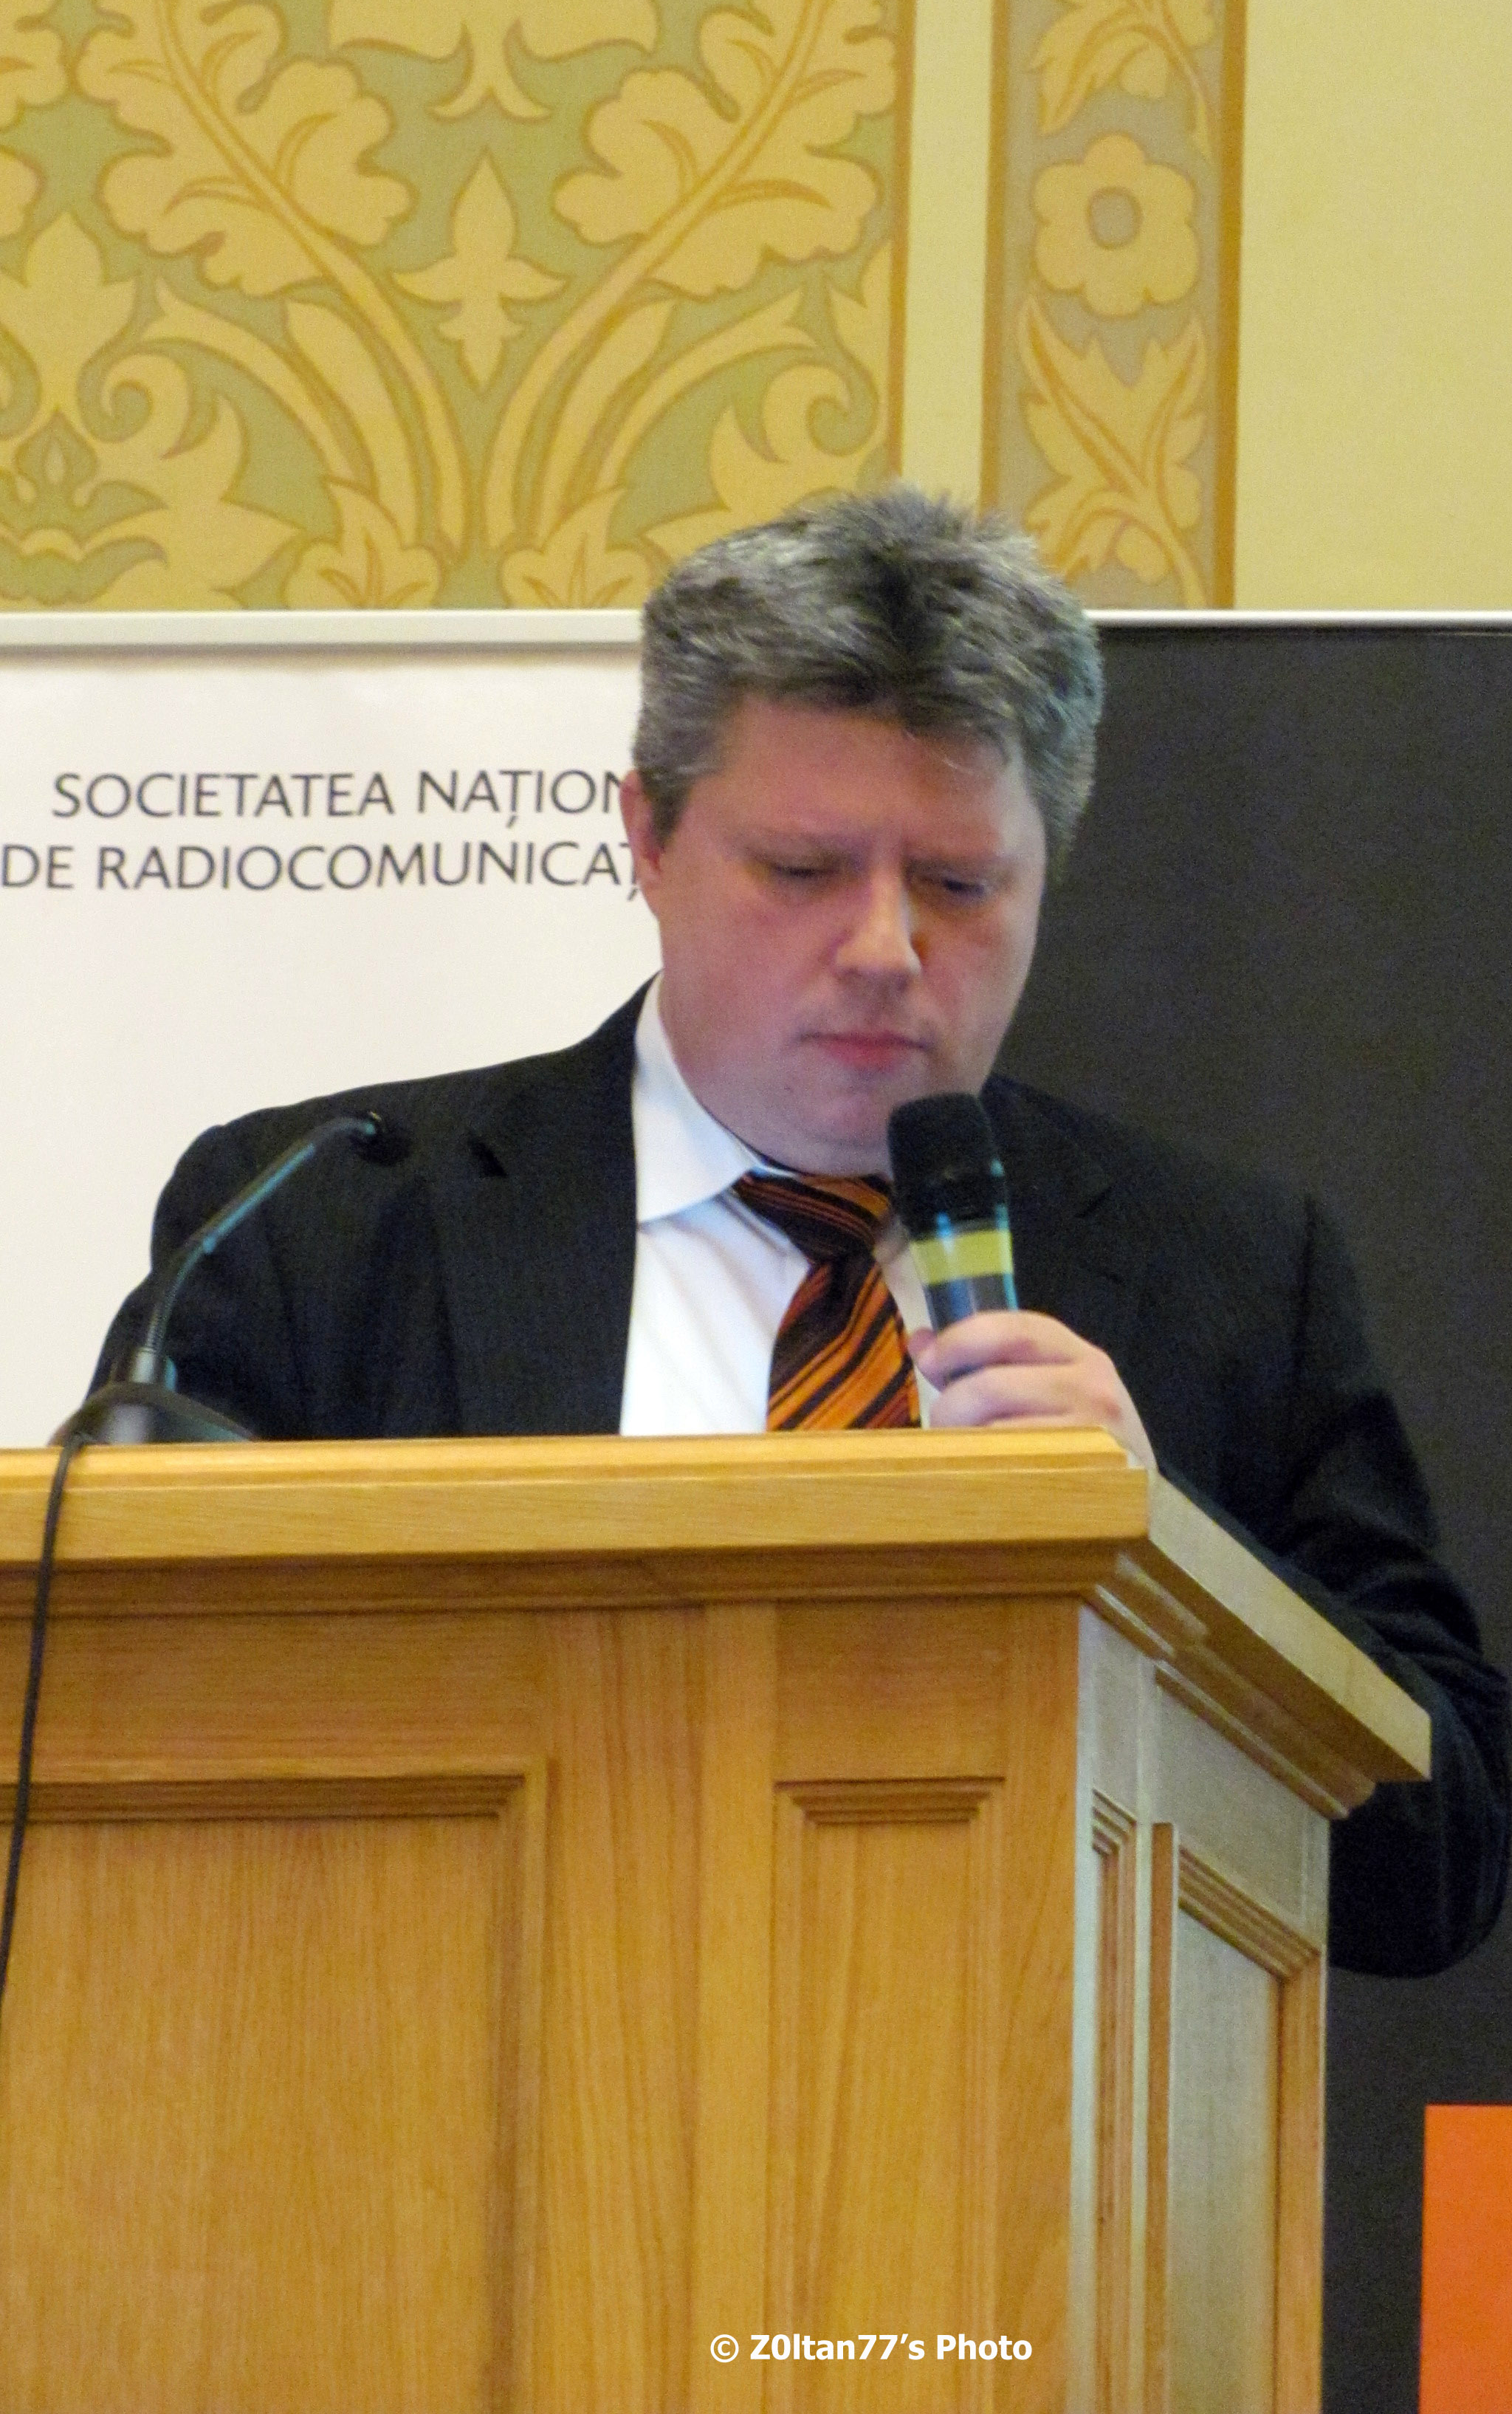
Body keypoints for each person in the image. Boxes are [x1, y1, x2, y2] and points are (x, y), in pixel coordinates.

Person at [94, 487, 1508, 1977]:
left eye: (958, 885)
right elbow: (123, 1739)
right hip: (451, 2072)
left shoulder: (1229, 1275)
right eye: (801, 871)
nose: (885, 950)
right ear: (647, 836)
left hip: (1026, 2105)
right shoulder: (321, 1223)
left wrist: (1168, 1560)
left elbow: (1440, 1873)